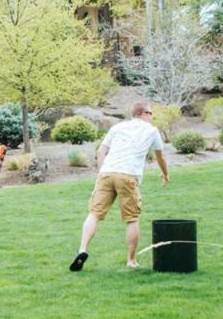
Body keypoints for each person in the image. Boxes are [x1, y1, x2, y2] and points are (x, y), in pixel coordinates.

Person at [71, 102, 169, 271]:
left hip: (107, 173)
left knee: (94, 213)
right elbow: (160, 156)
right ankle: (131, 261)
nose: (152, 117)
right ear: (143, 114)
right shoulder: (151, 131)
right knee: (132, 218)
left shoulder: (118, 127)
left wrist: (102, 172)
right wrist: (165, 174)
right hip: (128, 175)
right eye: (151, 113)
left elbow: (101, 151)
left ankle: (82, 249)